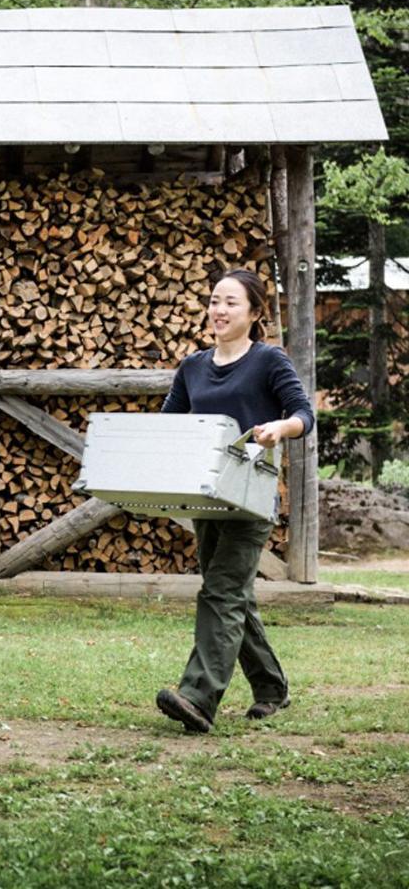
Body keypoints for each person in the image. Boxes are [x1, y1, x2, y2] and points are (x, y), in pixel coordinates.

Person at [155, 267, 314, 734]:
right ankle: (272, 688)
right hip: (207, 496)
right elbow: (172, 426)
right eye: (214, 301)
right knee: (234, 597)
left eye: (230, 303)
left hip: (252, 493)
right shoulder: (192, 367)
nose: (218, 310)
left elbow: (303, 413)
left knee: (221, 591)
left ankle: (198, 697)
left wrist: (278, 429)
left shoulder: (268, 360)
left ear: (255, 312)